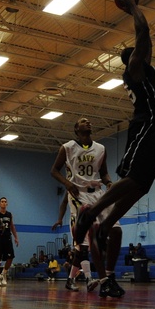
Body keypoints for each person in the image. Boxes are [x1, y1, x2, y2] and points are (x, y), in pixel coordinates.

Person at [73, 0, 155, 299]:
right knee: (132, 178)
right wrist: (131, 7)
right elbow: (144, 31)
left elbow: (146, 40)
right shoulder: (135, 68)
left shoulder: (142, 71)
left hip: (153, 129)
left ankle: (104, 223)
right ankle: (93, 213)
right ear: (135, 58)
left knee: (142, 185)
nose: (148, 51)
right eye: (143, 51)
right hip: (143, 129)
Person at [51, 117, 112, 293]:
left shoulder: (101, 149)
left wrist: (108, 183)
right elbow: (54, 170)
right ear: (76, 128)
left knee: (97, 239)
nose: (88, 122)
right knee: (85, 244)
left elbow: (105, 173)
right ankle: (90, 278)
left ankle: (71, 279)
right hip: (77, 195)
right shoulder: (67, 147)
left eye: (89, 120)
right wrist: (67, 183)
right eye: (83, 121)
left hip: (96, 195)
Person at [0, 197, 20, 286]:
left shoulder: (9, 214)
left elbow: (12, 226)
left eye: (5, 202)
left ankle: (4, 274)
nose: (4, 203)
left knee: (10, 257)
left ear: (7, 204)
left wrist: (16, 237)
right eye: (2, 202)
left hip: (7, 237)